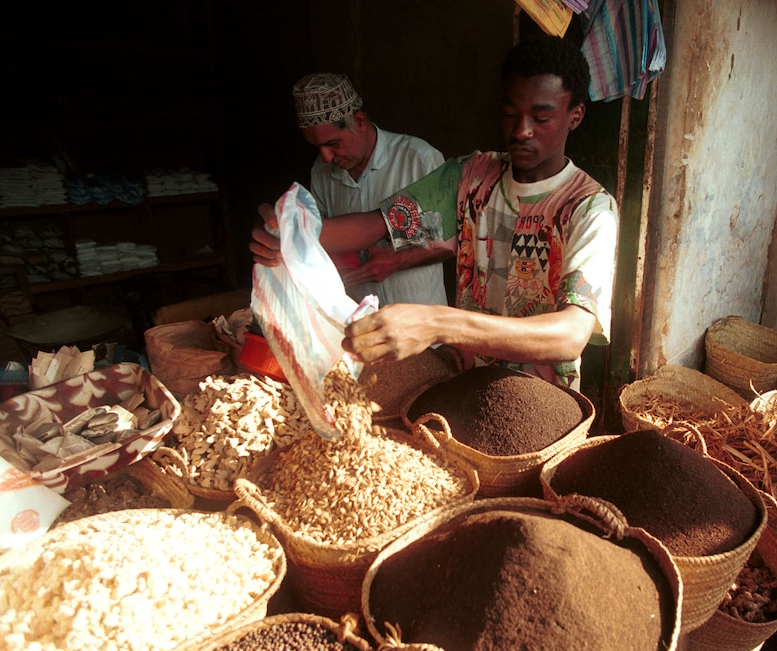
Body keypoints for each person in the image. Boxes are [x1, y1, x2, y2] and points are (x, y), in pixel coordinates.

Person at [252, 34, 618, 390]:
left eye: (541, 118)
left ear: (575, 115)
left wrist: (436, 322)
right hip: (466, 379)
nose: (521, 131)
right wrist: (290, 230)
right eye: (510, 114)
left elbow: (570, 336)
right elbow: (374, 225)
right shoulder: (470, 175)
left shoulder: (588, 207)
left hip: (543, 397)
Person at [291, 72, 450, 306]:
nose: (325, 157)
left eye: (333, 144)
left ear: (359, 122)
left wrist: (397, 261)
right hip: (359, 323)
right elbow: (320, 239)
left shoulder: (419, 159)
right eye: (318, 147)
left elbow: (454, 241)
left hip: (419, 322)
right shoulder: (320, 172)